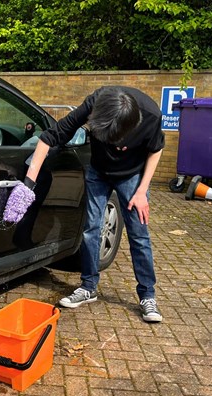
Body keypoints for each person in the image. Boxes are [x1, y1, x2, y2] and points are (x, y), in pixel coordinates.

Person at [24, 86, 164, 323]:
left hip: (132, 177)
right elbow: (51, 136)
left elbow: (156, 149)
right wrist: (27, 184)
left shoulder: (150, 115)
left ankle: (147, 295)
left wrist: (141, 191)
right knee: (91, 230)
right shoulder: (94, 104)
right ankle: (88, 286)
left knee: (139, 235)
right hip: (98, 172)